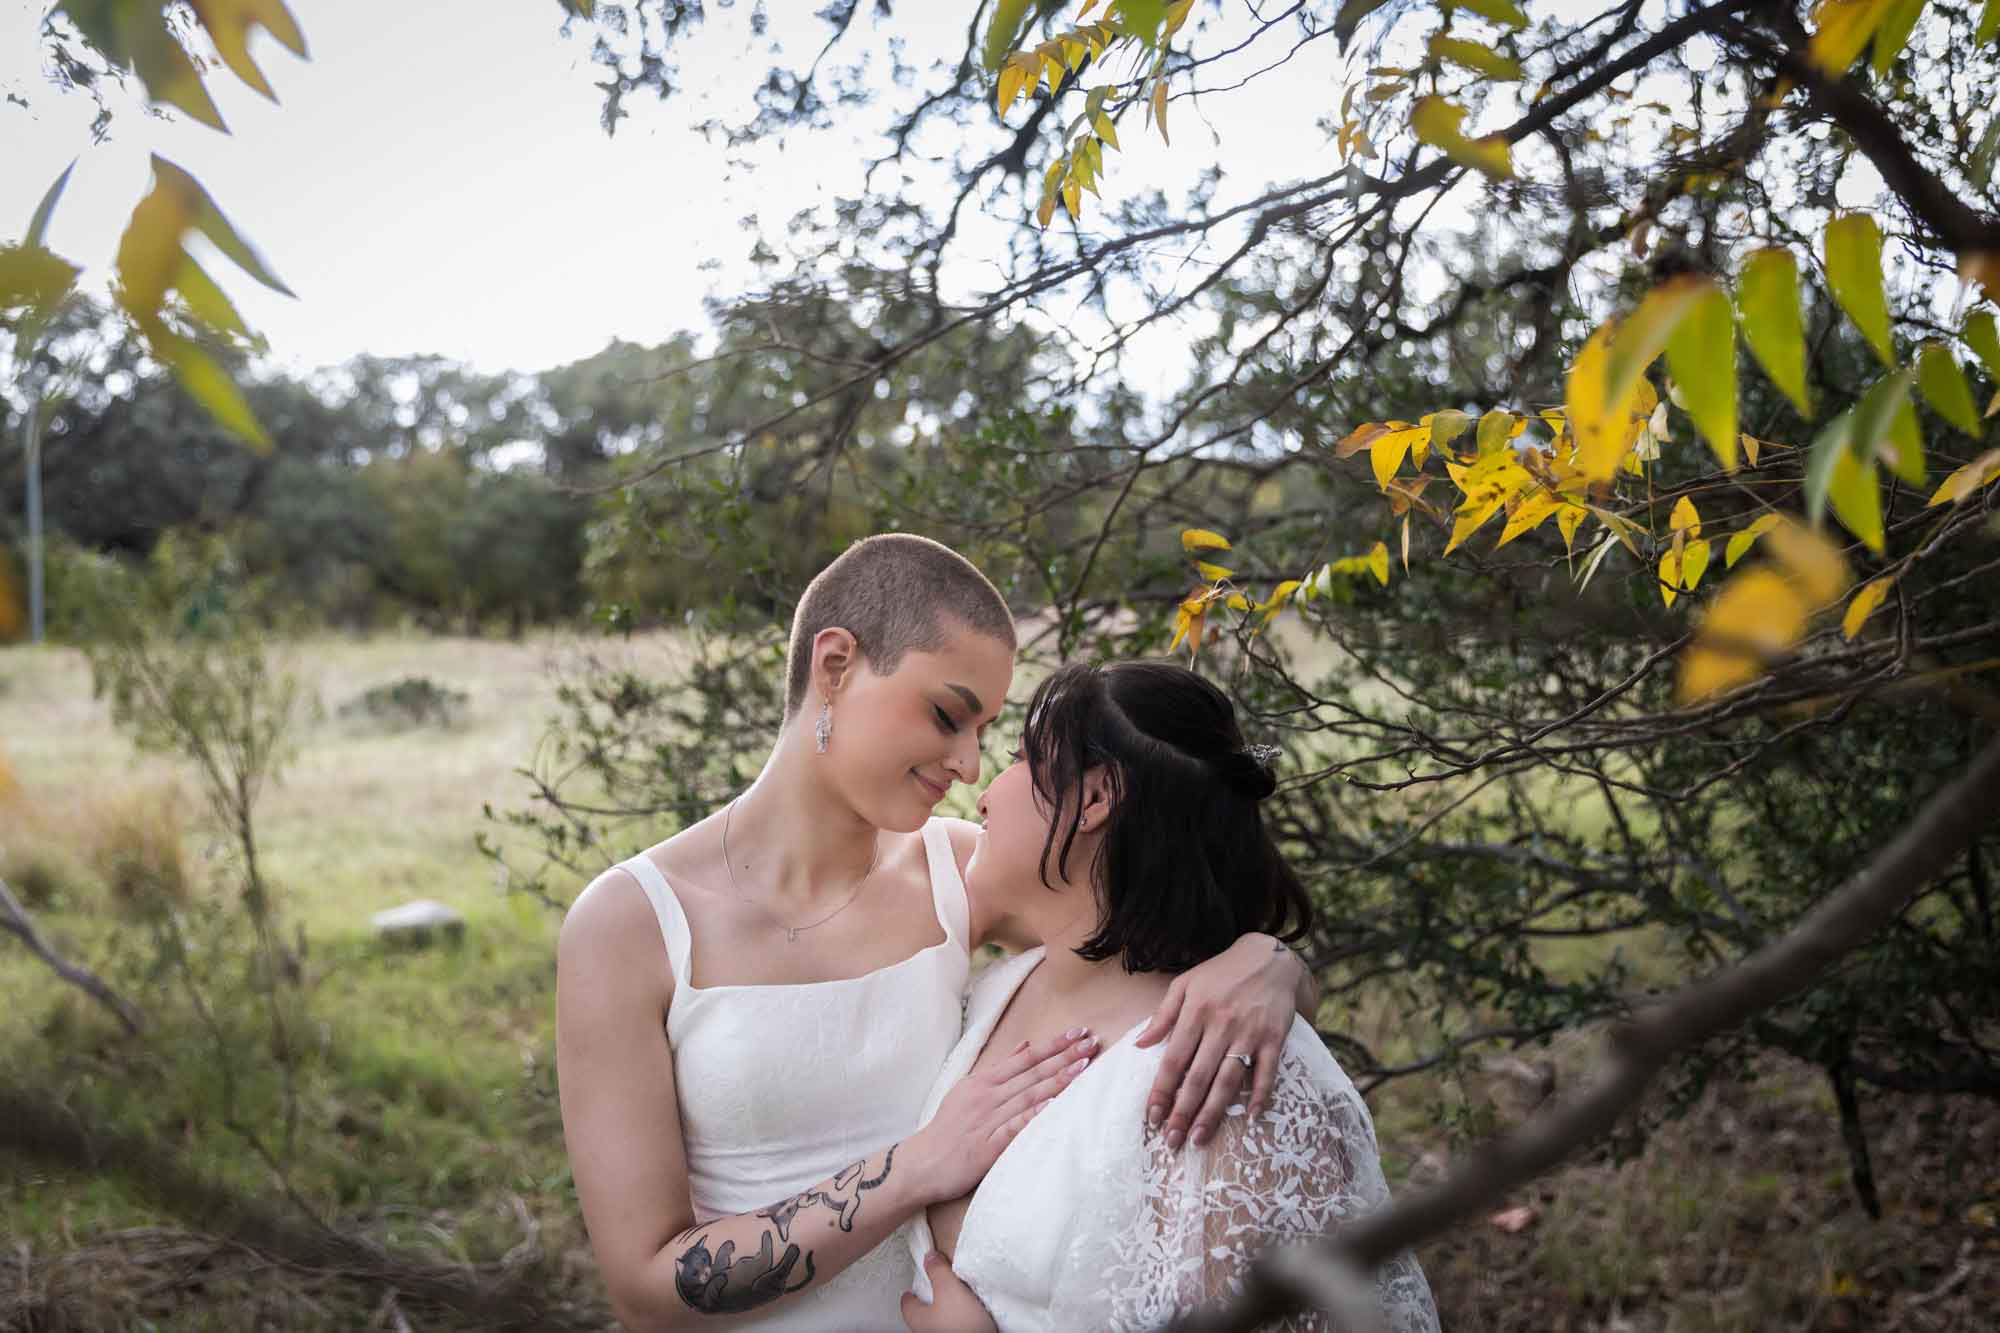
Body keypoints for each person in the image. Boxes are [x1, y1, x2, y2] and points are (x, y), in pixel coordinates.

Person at [557, 535, 1316, 1330]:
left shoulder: (964, 877)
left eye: (986, 728)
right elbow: (646, 1285)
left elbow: (1166, 943)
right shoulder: (631, 924)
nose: (968, 763)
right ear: (837, 664)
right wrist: (914, 1168)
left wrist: (1271, 963)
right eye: (948, 714)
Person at [901, 660, 1440, 1333]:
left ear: (1095, 798)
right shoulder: (1006, 980)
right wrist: (1279, 957)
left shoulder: (1219, 1076)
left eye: (1018, 759)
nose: (983, 791)